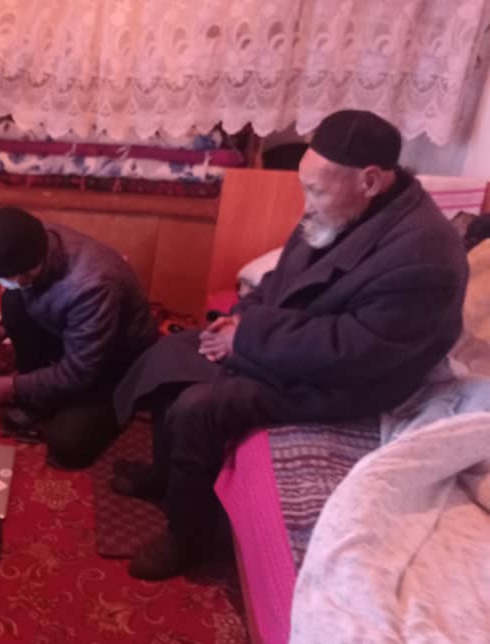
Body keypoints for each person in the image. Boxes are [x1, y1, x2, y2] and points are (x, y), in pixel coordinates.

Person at [112, 109, 469, 580]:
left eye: (316, 191)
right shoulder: (343, 208)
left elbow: (352, 351)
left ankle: (189, 538)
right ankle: (165, 475)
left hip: (348, 382)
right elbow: (279, 279)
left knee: (201, 407)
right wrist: (237, 320)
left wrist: (246, 338)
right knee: (172, 355)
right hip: (289, 343)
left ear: (369, 180)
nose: (307, 204)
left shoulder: (425, 257)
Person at [0, 207, 157, 468]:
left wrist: (13, 386)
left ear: (27, 273)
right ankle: (40, 393)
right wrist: (2, 332)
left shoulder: (91, 286)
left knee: (67, 444)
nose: (1, 283)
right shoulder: (35, 240)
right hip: (76, 331)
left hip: (115, 360)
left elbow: (80, 371)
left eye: (5, 278)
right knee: (13, 300)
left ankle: (115, 401)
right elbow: (32, 299)